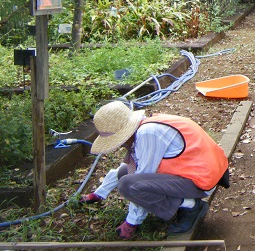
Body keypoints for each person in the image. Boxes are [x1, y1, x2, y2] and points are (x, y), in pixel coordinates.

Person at [80, 101, 230, 239]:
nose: (119, 145)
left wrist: (131, 223)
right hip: (204, 171)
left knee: (128, 185)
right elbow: (128, 168)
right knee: (124, 174)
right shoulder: (148, 125)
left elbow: (141, 177)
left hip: (201, 181)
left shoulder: (148, 134)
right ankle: (183, 202)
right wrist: (99, 193)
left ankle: (190, 206)